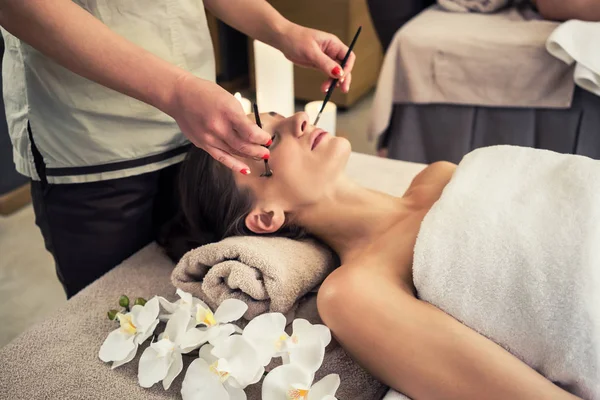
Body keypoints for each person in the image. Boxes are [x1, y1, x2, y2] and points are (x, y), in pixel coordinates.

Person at [163, 111, 585, 400]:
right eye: (270, 138)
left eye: (278, 113)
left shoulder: (438, 174)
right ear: (266, 218)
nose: (300, 119)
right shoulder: (354, 293)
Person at [0, 0, 355, 298]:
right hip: (92, 140)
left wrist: (281, 30)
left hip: (199, 124)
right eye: (271, 134)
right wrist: (174, 91)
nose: (299, 118)